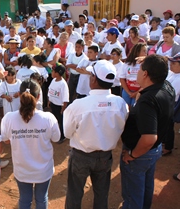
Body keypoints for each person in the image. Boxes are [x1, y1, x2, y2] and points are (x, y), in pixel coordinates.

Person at [64, 59, 128, 209]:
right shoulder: (120, 103)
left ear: (93, 79)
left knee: (74, 194)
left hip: (81, 156)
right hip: (105, 156)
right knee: (101, 194)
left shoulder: (79, 105)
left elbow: (67, 133)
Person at [120, 54, 174, 209]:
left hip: (141, 154)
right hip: (153, 151)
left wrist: (132, 155)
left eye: (140, 69)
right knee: (146, 187)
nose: (136, 71)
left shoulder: (147, 101)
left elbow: (149, 138)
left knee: (132, 196)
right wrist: (152, 60)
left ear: (145, 74)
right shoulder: (167, 86)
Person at [1, 79, 60, 209]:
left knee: (24, 199)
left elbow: (5, 140)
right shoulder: (48, 118)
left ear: (19, 95)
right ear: (39, 97)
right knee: (41, 199)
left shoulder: (8, 118)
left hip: (22, 170)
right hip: (44, 170)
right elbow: (56, 138)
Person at [119, 43, 147, 107]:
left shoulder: (146, 65)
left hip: (140, 91)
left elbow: (147, 80)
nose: (146, 53)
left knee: (135, 109)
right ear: (137, 52)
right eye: (144, 51)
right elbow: (122, 79)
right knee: (125, 109)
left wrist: (137, 93)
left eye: (146, 51)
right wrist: (129, 92)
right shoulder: (127, 64)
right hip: (127, 91)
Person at [163, 54, 180, 156]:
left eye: (174, 63)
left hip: (170, 104)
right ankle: (164, 143)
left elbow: (171, 93)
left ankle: (168, 147)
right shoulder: (172, 73)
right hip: (166, 102)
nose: (171, 65)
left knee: (168, 126)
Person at [47, 63, 69, 143]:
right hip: (53, 104)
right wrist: (49, 101)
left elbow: (65, 98)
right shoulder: (53, 80)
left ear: (58, 73)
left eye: (53, 71)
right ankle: (55, 133)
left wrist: (63, 109)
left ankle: (62, 136)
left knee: (61, 121)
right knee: (54, 119)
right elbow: (50, 91)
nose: (52, 73)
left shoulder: (63, 84)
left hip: (59, 106)